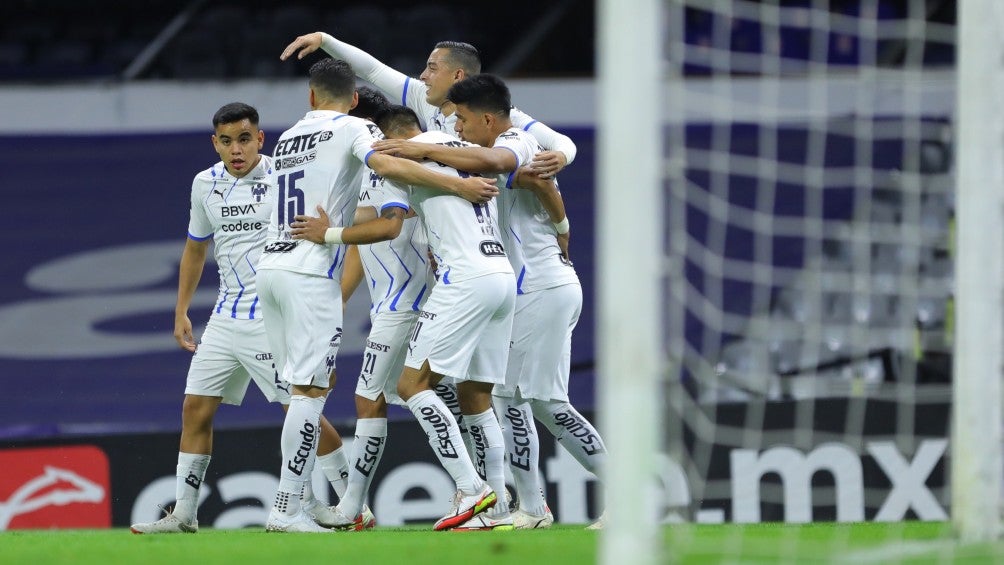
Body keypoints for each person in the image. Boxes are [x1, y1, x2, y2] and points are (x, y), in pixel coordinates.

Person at [258, 59, 499, 533]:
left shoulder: (288, 138)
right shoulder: (361, 138)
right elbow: (388, 171)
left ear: (311, 97)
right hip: (321, 275)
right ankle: (300, 509)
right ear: (354, 105)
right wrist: (461, 183)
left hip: (277, 268)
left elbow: (388, 216)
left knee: (326, 394)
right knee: (326, 394)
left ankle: (323, 506)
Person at [373, 75, 608, 530]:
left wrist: (561, 230)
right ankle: (528, 507)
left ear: (484, 117)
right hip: (510, 283)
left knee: (544, 401)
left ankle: (624, 495)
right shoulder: (460, 151)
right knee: (501, 396)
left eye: (461, 118)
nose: (456, 126)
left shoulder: (516, 139)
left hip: (540, 284)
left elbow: (516, 169)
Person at [129, 102, 360, 534]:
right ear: (214, 143)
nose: (236, 149)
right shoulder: (205, 184)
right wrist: (180, 309)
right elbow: (196, 248)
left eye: (244, 139)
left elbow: (326, 234)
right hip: (223, 315)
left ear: (260, 139)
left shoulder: (283, 178)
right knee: (195, 407)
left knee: (300, 408)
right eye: (226, 141)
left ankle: (350, 502)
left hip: (269, 316)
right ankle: (184, 514)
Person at [280, 34, 575, 179]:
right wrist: (324, 40)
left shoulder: (498, 116)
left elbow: (561, 142)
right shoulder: (423, 97)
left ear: (458, 76)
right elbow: (373, 71)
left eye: (432, 68)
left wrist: (561, 156)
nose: (423, 76)